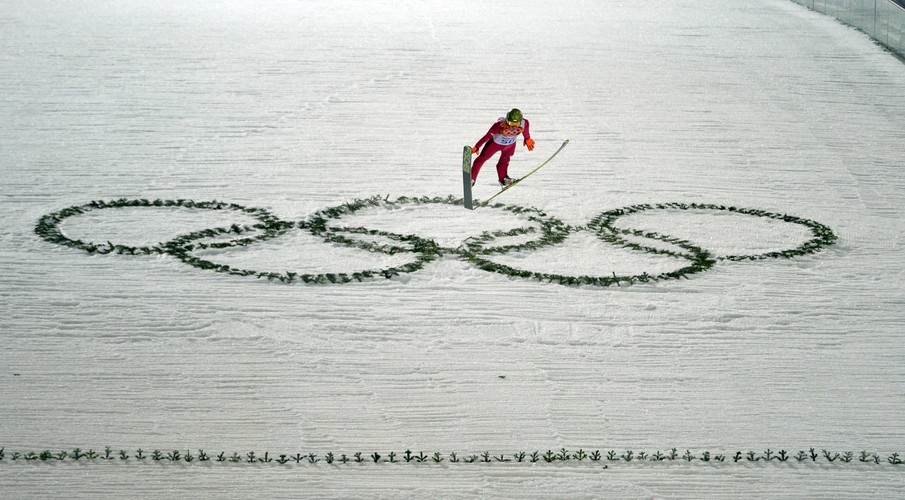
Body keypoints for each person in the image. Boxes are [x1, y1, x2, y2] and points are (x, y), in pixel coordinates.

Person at [470, 108, 535, 187]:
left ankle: (503, 179)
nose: (514, 126)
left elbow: (526, 132)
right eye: (511, 123)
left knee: (504, 161)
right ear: (507, 120)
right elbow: (487, 136)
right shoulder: (499, 125)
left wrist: (527, 139)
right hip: (495, 144)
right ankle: (472, 178)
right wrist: (477, 146)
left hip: (510, 145)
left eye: (517, 124)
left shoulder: (525, 123)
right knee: (482, 158)